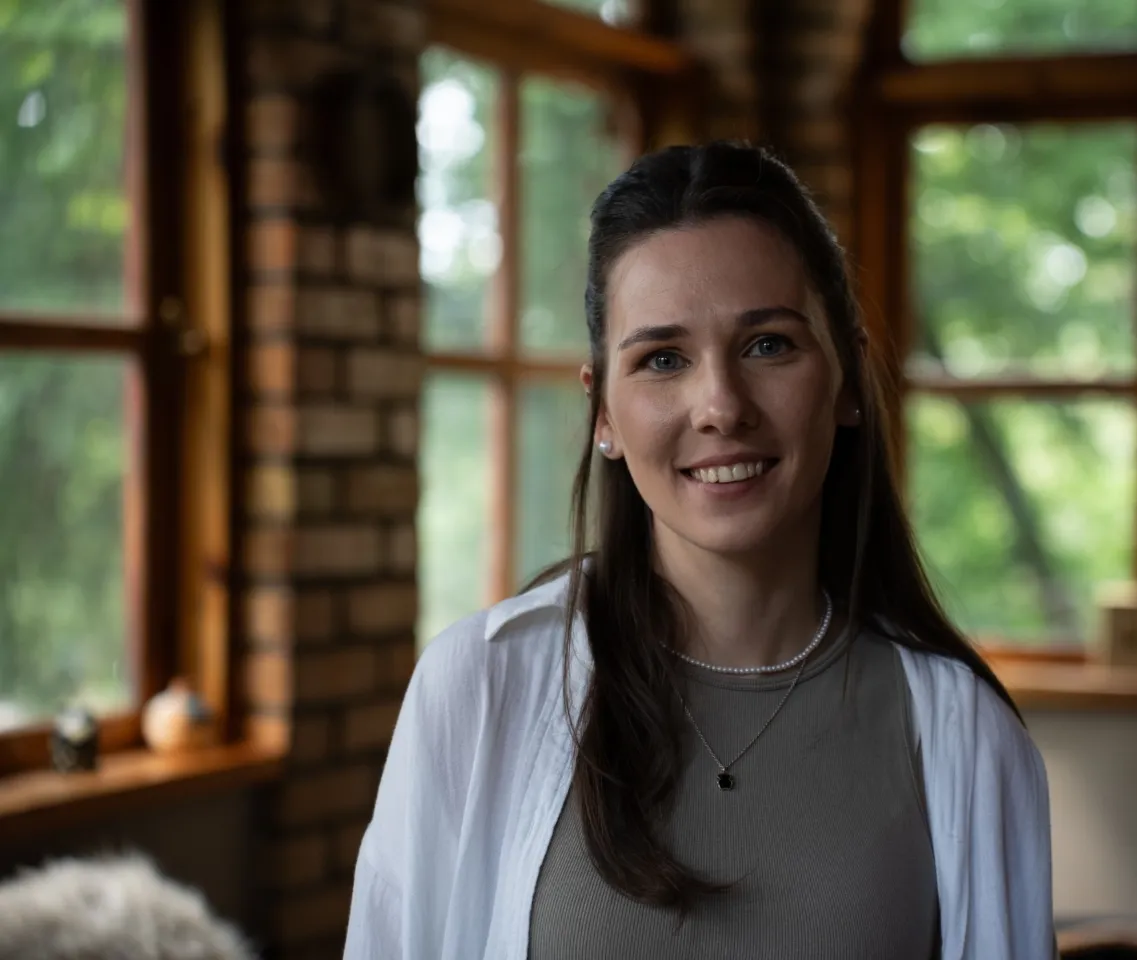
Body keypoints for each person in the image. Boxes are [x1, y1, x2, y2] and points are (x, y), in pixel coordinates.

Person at [343, 141, 1054, 959]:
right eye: (663, 360)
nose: (720, 405)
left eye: (768, 345)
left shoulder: (967, 736)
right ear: (602, 411)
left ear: (850, 378)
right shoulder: (479, 687)